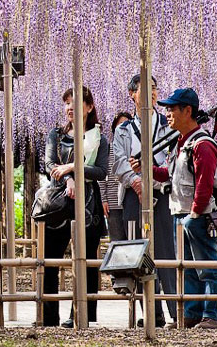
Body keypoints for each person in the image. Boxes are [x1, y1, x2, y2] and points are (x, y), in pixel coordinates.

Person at [143, 87, 217, 329]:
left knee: (208, 266)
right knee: (187, 267)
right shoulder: (181, 143)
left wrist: (196, 213)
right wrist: (144, 168)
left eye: (172, 109)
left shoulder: (203, 145)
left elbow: (205, 183)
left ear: (187, 111)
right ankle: (191, 313)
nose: (167, 114)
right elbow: (168, 175)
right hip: (180, 213)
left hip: (198, 216)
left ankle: (213, 315)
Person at [113, 74, 177, 327]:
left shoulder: (168, 124)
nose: (150, 93)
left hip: (162, 193)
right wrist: (137, 182)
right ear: (132, 94)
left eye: (154, 89)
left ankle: (175, 308)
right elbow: (119, 162)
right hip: (133, 195)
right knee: (137, 252)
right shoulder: (124, 129)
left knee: (166, 251)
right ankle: (151, 311)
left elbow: (174, 160)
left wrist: (151, 179)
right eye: (144, 89)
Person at [43, 85, 109, 328]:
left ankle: (83, 314)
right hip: (58, 202)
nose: (71, 107)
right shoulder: (56, 134)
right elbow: (49, 163)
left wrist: (72, 168)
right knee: (50, 259)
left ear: (89, 107)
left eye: (77, 102)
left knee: (87, 261)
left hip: (88, 205)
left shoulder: (99, 139)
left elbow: (101, 171)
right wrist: (68, 178)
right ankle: (48, 316)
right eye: (68, 102)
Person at [103, 111, 133, 242]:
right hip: (113, 202)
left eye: (126, 124)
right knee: (117, 241)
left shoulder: (135, 148)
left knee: (133, 240)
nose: (122, 127)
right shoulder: (108, 148)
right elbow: (102, 175)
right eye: (120, 124)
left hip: (130, 199)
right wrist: (103, 199)